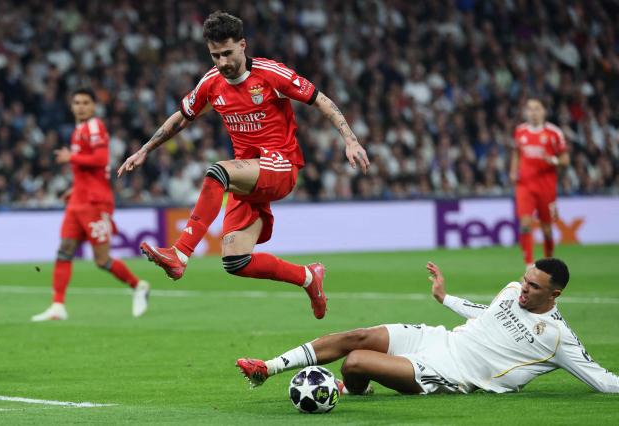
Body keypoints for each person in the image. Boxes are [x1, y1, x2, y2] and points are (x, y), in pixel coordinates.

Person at [117, 11, 369, 319]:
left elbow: (321, 100)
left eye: (227, 53)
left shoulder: (270, 74)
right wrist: (145, 148)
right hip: (248, 174)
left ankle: (180, 252)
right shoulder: (211, 83)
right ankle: (307, 277)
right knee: (236, 261)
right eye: (215, 55)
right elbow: (182, 117)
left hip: (280, 165)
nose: (222, 62)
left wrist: (350, 139)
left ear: (243, 45)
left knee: (217, 171)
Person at [237, 259, 619, 395]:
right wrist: (445, 299)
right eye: (524, 279)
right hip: (438, 339)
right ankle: (267, 369)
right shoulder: (511, 291)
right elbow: (484, 313)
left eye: (533, 287)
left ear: (555, 294)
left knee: (355, 362)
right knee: (356, 337)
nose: (523, 289)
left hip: (451, 372)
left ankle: (353, 390)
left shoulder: (557, 338)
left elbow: (599, 379)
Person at [32, 88, 150, 322]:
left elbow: (100, 159)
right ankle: (58, 306)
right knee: (64, 250)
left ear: (94, 106)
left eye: (86, 102)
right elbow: (89, 171)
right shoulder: (78, 130)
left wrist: (70, 158)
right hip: (78, 201)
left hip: (96, 202)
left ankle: (139, 286)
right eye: (77, 102)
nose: (81, 106)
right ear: (71, 106)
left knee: (102, 260)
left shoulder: (94, 126)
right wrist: (74, 190)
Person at [510, 98, 570, 266]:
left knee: (547, 230)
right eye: (529, 109)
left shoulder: (554, 133)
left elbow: (565, 159)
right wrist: (513, 170)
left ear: (544, 111)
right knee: (525, 224)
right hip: (525, 186)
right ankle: (529, 266)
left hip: (546, 187)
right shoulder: (520, 131)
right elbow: (516, 153)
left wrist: (553, 160)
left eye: (537, 108)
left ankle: (548, 264)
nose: (533, 112)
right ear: (525, 112)